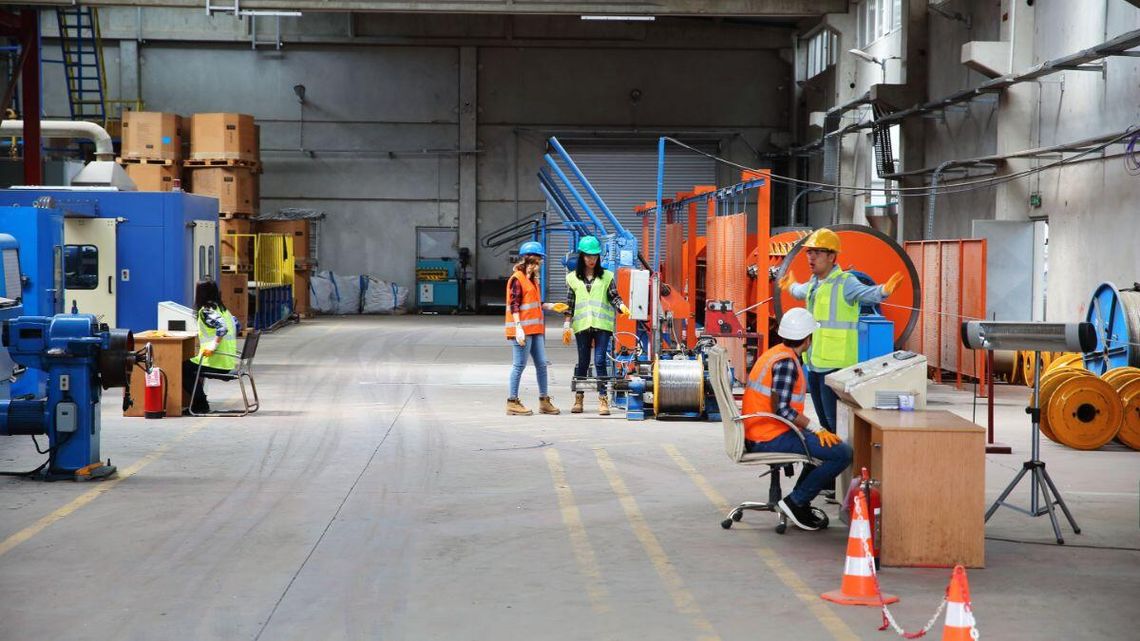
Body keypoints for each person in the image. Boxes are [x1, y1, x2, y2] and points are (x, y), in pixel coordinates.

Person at [778, 228, 904, 435]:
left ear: (831, 256)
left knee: (835, 423)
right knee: (824, 422)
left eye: (817, 252)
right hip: (815, 363)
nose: (811, 257)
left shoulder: (846, 282)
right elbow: (801, 292)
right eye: (809, 252)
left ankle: (842, 461)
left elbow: (868, 294)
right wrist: (790, 286)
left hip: (836, 367)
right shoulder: (814, 283)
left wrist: (884, 290)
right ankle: (831, 456)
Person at [742, 307, 853, 531]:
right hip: (770, 434)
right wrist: (815, 427)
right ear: (808, 339)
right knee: (842, 453)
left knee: (825, 446)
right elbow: (782, 409)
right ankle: (796, 501)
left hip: (765, 428)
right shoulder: (786, 363)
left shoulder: (777, 352)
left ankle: (797, 502)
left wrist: (814, 431)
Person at [561, 236, 629, 416]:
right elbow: (570, 303)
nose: (592, 260)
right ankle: (579, 398)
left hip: (602, 326)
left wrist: (621, 306)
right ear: (582, 256)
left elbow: (614, 296)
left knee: (600, 361)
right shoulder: (573, 278)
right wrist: (567, 324)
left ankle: (603, 399)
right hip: (582, 326)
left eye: (595, 256)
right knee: (583, 362)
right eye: (588, 256)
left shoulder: (607, 276)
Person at [505, 241, 562, 416]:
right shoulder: (517, 279)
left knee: (542, 364)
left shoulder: (532, 280)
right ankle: (512, 402)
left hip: (535, 330)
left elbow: (533, 303)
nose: (542, 263)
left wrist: (549, 306)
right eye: (540, 259)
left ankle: (544, 401)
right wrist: (518, 328)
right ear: (532, 260)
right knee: (519, 365)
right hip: (522, 331)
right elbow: (514, 305)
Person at [183, 280, 238, 414]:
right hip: (229, 360)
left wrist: (213, 346)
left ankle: (200, 405)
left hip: (217, 361)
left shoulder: (206, 310)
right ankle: (198, 402)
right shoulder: (223, 309)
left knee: (184, 369)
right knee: (192, 367)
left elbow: (222, 328)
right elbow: (237, 325)